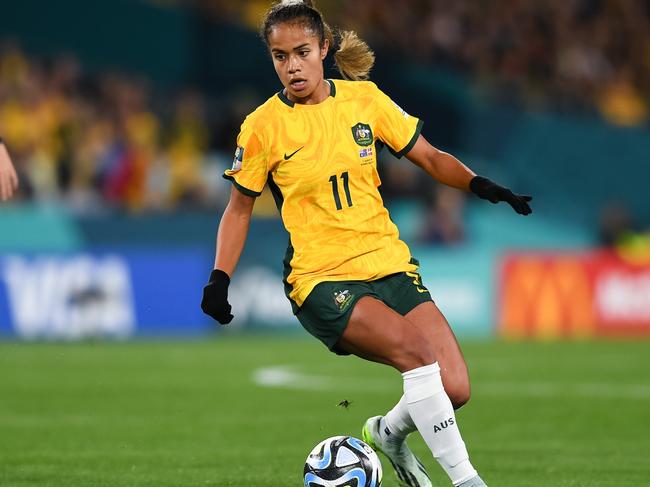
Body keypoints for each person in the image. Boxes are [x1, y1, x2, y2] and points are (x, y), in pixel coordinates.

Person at [201, 2, 532, 486]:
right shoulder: (262, 127)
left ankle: (386, 433)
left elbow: (431, 157)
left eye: (301, 52)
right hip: (322, 279)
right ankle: (468, 482)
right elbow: (239, 208)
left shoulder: (365, 100)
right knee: (417, 356)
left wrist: (480, 184)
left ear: (324, 49)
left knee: (454, 387)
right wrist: (219, 278)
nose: (292, 65)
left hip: (388, 262)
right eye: (279, 56)